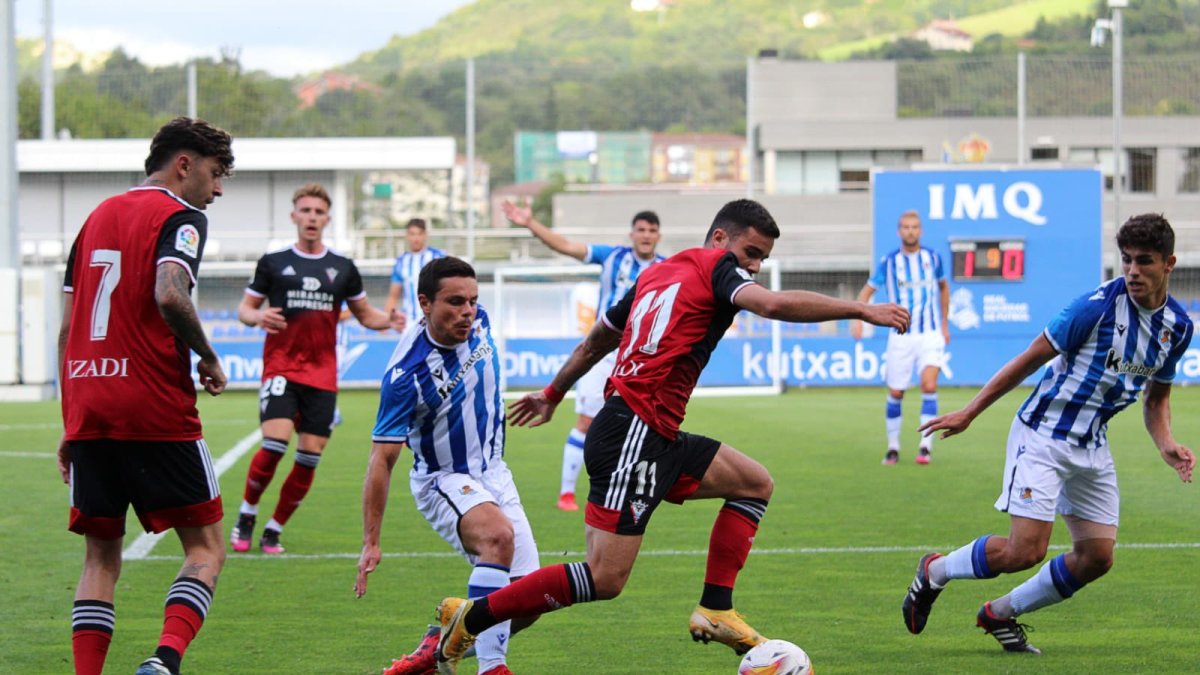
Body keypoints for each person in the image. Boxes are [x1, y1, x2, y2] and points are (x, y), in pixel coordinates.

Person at [430, 199, 910, 673]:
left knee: (753, 483)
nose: (755, 266)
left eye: (763, 258)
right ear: (720, 238)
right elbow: (772, 304)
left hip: (649, 433)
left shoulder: (655, 275)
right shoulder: (719, 267)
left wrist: (554, 392)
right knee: (604, 578)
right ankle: (474, 615)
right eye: (751, 252)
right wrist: (861, 310)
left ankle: (716, 608)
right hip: (633, 437)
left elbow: (598, 338)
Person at [903, 214, 1194, 654]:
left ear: (1169, 263)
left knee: (1097, 558)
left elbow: (1156, 400)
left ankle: (999, 613)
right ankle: (935, 571)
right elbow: (1028, 359)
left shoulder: (1178, 327)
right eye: (1127, 261)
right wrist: (970, 412)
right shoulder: (1094, 309)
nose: (1133, 271)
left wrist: (1166, 443)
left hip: (1092, 446)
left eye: (1145, 262)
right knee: (1025, 551)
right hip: (1041, 435)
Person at [57, 117, 233, 675]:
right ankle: (164, 660)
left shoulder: (93, 220)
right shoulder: (182, 216)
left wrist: (71, 421)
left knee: (101, 557)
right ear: (184, 165)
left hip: (89, 405)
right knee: (205, 548)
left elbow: (66, 330)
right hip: (153, 403)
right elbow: (170, 293)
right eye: (215, 172)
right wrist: (205, 352)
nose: (219, 188)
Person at [356, 257, 539, 675]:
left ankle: (440, 647)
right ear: (424, 303)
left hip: (495, 472)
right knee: (497, 537)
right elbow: (382, 459)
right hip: (444, 478)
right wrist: (372, 540)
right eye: (455, 302)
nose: (467, 312)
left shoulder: (480, 322)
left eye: (473, 301)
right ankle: (493, 668)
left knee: (525, 603)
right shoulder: (407, 374)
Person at [230, 183, 397, 554]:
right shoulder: (273, 262)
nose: (311, 218)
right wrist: (258, 315)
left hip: (322, 375)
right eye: (305, 211)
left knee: (308, 458)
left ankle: (274, 529)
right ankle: (247, 513)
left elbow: (365, 314)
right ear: (294, 216)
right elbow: (244, 310)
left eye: (318, 212)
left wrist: (392, 321)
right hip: (281, 368)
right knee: (274, 444)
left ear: (327, 219)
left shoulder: (342, 268)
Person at [502, 200, 665, 511]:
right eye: (641, 230)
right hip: (602, 352)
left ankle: (628, 491)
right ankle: (566, 493)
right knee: (586, 421)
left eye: (652, 231)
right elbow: (565, 245)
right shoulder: (613, 257)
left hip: (640, 356)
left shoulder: (666, 267)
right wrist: (530, 223)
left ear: (658, 236)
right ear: (631, 233)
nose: (646, 235)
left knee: (639, 424)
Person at [851, 209, 949, 465]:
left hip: (929, 333)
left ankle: (925, 447)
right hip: (900, 336)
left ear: (921, 230)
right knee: (896, 392)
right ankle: (893, 447)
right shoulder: (889, 262)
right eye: (906, 227)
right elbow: (866, 292)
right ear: (899, 231)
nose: (910, 231)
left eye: (915, 227)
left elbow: (943, 288)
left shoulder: (933, 258)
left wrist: (945, 324)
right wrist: (857, 319)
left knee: (929, 385)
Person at [385, 217, 447, 328]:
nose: (416, 238)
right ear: (407, 236)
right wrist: (387, 319)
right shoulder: (401, 262)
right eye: (412, 234)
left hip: (436, 321)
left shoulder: (439, 257)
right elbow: (393, 295)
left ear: (425, 235)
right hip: (410, 323)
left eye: (419, 234)